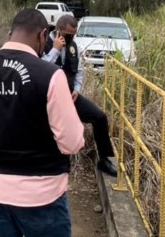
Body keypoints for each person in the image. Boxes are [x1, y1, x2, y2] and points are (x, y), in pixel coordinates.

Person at [0, 9, 85, 237]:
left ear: (10, 33)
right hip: (42, 195)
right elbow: (72, 142)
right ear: (42, 35)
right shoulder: (50, 75)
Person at [43, 15, 118, 177]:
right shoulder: (44, 44)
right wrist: (55, 50)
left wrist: (77, 89)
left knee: (99, 117)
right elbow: (40, 70)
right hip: (50, 98)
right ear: (58, 30)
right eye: (67, 34)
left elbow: (79, 71)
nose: (70, 37)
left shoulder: (73, 46)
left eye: (73, 34)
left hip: (71, 96)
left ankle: (104, 159)